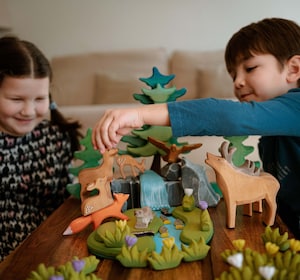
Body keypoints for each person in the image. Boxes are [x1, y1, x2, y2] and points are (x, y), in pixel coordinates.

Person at [92, 18, 300, 238]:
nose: (238, 81)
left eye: (249, 68)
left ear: (294, 69)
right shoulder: (273, 133)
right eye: (233, 74)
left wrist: (141, 114)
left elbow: (229, 116)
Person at [0, 36, 82, 261]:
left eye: (39, 98)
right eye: (16, 99)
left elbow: (64, 200)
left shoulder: (56, 136)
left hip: (52, 247)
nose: (28, 111)